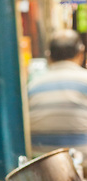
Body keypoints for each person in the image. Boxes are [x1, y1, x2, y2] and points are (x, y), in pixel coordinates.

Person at [28, 29, 87, 165]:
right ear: (80, 53)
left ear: (49, 57)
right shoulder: (85, 79)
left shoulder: (32, 86)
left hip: (42, 165)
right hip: (82, 164)